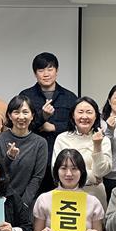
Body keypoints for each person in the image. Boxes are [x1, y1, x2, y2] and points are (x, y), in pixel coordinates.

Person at [20, 52, 77, 193]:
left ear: (57, 71)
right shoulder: (26, 96)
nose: (46, 74)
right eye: (41, 70)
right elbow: (20, 125)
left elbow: (77, 126)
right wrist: (42, 116)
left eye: (50, 69)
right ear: (35, 73)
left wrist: (54, 127)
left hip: (62, 159)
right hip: (32, 157)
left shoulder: (70, 97)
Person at [52, 96, 112, 207]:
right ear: (73, 115)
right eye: (80, 112)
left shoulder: (104, 140)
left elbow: (100, 172)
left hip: (95, 194)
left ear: (96, 116)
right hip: (68, 194)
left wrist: (97, 145)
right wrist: (92, 177)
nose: (84, 116)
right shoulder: (62, 138)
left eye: (89, 112)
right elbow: (56, 171)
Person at [0, 95, 48, 209]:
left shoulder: (40, 143)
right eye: (16, 112)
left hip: (27, 203)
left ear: (32, 116)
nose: (21, 117)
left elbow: (37, 177)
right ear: (9, 115)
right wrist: (9, 157)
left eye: (25, 112)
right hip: (1, 200)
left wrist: (23, 203)